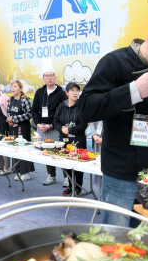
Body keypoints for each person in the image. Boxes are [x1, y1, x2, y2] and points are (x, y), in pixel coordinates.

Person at [78, 11, 148, 226]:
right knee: (115, 239)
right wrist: (133, 91)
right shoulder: (114, 62)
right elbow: (85, 108)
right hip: (119, 171)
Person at [31, 58, 67, 186]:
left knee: (60, 152)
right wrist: (38, 124)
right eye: (47, 76)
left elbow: (64, 112)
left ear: (55, 77)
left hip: (56, 128)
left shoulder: (61, 94)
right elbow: (34, 110)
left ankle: (66, 178)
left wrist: (52, 124)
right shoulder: (40, 92)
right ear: (43, 78)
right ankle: (51, 175)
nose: (49, 78)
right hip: (43, 128)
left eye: (51, 75)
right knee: (47, 152)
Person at [53, 82, 88, 196]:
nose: (75, 93)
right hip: (65, 139)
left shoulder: (81, 106)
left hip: (78, 139)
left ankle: (77, 187)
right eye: (72, 90)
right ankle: (70, 186)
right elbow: (55, 121)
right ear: (67, 92)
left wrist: (70, 130)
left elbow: (83, 124)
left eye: (77, 90)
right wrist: (61, 129)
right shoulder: (62, 106)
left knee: (77, 164)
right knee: (67, 163)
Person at [7, 80, 34, 181]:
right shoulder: (10, 100)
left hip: (23, 129)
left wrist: (15, 119)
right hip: (13, 128)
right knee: (15, 148)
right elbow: (8, 113)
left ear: (21, 88)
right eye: (11, 86)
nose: (13, 88)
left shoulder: (25, 99)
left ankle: (25, 172)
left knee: (24, 149)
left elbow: (29, 114)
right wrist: (9, 120)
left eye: (15, 86)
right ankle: (17, 170)